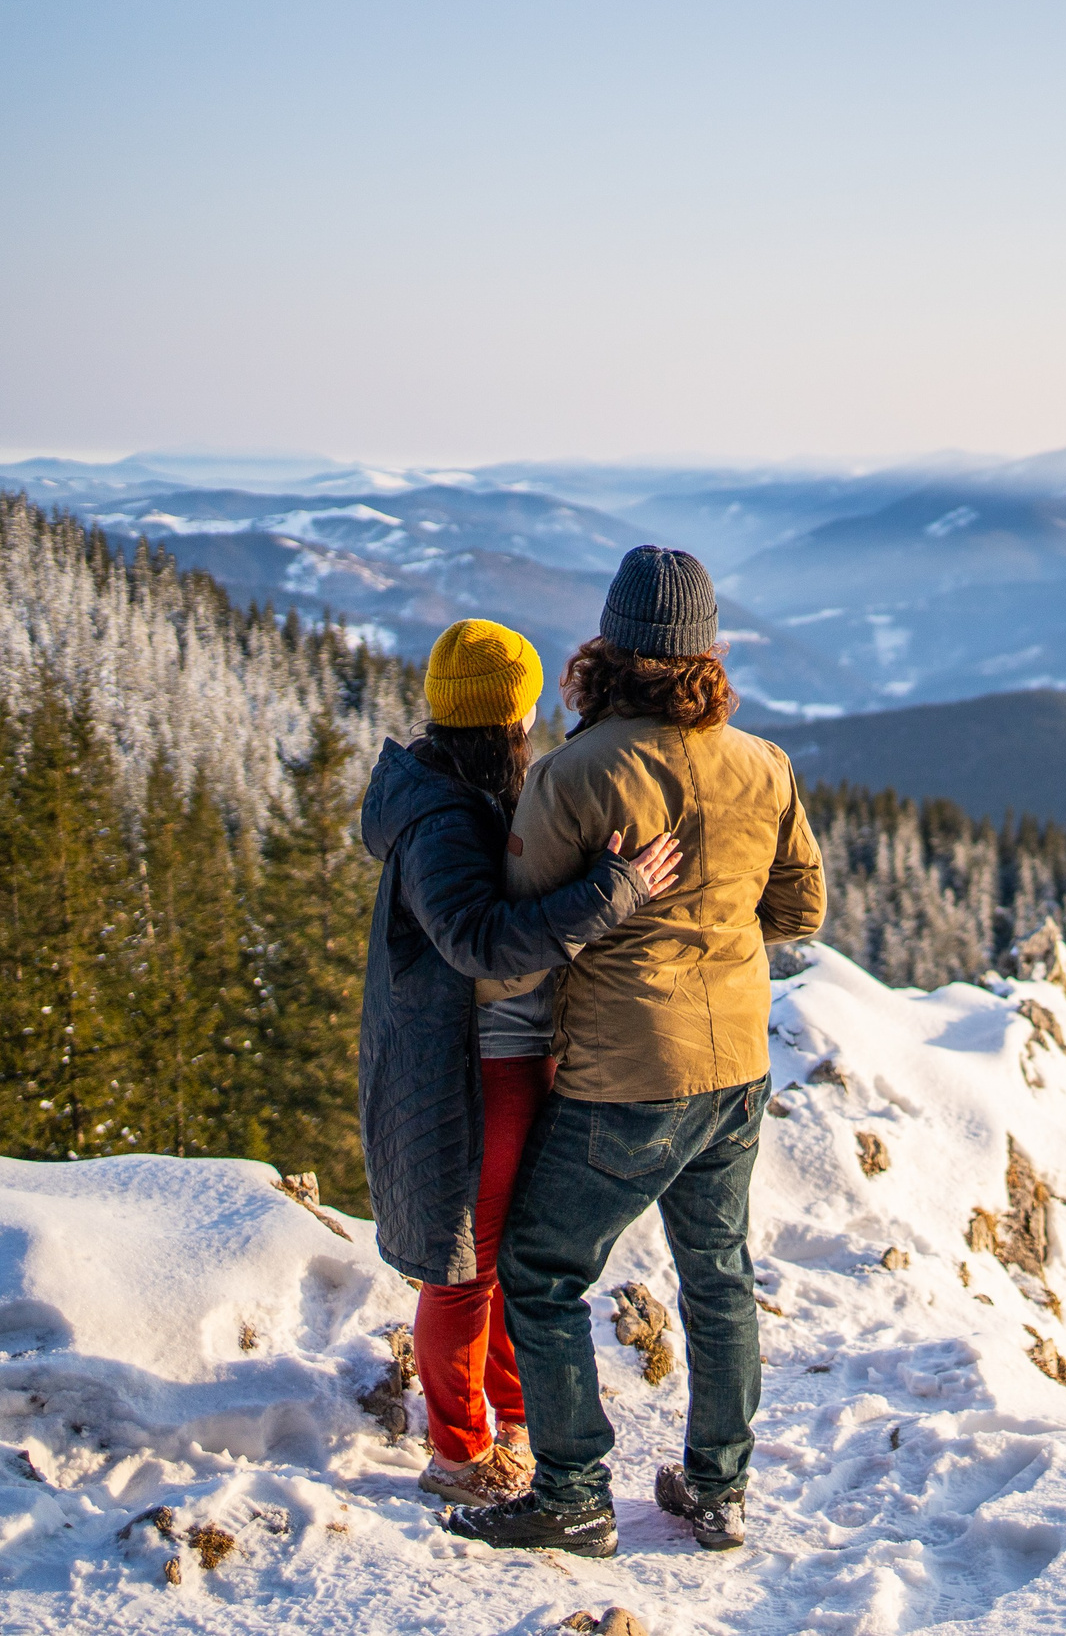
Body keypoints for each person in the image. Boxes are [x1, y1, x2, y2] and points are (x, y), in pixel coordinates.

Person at [447, 547, 824, 1559]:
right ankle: (718, 1490)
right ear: (707, 652)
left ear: (609, 646)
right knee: (718, 1273)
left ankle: (573, 1493)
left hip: (627, 1069)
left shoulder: (574, 774)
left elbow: (521, 944)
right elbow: (801, 909)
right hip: (738, 1062)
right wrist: (717, 925)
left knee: (541, 1269)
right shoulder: (764, 764)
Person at [357, 619, 684, 1507]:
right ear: (510, 714)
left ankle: (512, 1420)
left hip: (511, 1057)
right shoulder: (442, 817)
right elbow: (478, 940)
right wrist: (611, 894)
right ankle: (459, 1454)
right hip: (474, 1071)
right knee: (465, 1269)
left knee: (502, 1261)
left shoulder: (467, 794)